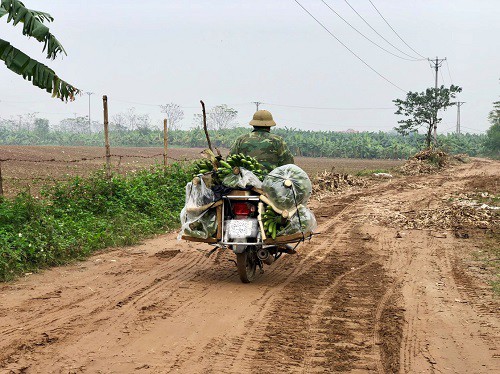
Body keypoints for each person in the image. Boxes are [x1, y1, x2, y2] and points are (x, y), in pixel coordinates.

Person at [229, 110, 294, 171]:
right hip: (271, 181)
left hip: (246, 180)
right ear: (269, 126)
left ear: (253, 125)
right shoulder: (277, 140)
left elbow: (231, 160)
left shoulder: (241, 139)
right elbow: (288, 163)